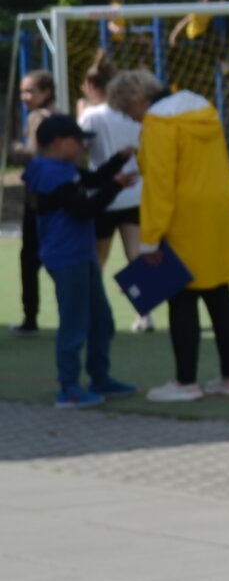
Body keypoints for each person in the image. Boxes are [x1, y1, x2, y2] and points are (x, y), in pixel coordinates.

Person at [115, 68, 229, 400]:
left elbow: (160, 184)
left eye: (128, 111)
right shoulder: (204, 112)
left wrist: (150, 238)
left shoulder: (158, 124)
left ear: (137, 100)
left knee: (181, 297)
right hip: (218, 211)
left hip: (182, 217)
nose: (132, 119)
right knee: (220, 293)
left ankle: (185, 381)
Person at [24, 111, 139, 407]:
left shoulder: (64, 167)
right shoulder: (49, 173)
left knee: (102, 321)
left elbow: (94, 179)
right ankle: (69, 388)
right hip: (66, 258)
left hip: (82, 254)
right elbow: (83, 209)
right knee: (74, 325)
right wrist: (116, 186)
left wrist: (119, 160)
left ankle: (100, 378)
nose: (83, 146)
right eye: (78, 141)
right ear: (59, 143)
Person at [77, 55, 151, 332]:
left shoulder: (91, 116)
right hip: (133, 189)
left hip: (104, 195)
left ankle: (92, 313)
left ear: (91, 86)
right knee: (136, 255)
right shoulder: (131, 111)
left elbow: (78, 148)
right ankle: (144, 314)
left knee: (98, 259)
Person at [13, 68, 56, 335]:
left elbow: (33, 155)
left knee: (32, 259)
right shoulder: (56, 114)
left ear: (46, 92)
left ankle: (31, 318)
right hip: (54, 198)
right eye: (22, 92)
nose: (24, 97)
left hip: (40, 200)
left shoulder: (39, 118)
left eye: (30, 91)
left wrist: (12, 148)